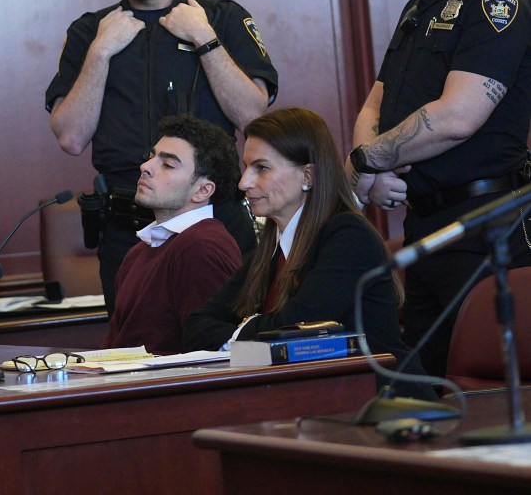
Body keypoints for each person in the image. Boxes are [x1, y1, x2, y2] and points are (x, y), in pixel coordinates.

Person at [45, 0, 278, 315]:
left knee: (231, 347)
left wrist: (204, 40)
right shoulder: (89, 32)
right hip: (127, 226)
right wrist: (100, 53)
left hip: (214, 219)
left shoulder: (221, 17)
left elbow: (253, 116)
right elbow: (70, 136)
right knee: (134, 355)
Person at [348, 0, 531, 378]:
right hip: (423, 227)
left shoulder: (497, 4)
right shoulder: (420, 8)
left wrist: (368, 163)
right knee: (421, 385)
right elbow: (376, 102)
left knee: (483, 388)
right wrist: (368, 169)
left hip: (481, 231)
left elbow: (456, 117)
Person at [184, 108, 433, 398]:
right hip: (311, 399)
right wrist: (252, 337)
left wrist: (239, 332)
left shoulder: (348, 237)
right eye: (246, 167)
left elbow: (294, 334)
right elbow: (196, 327)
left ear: (308, 174)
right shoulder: (272, 246)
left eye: (261, 168)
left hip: (382, 405)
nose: (244, 182)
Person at [103, 116, 243, 354]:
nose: (145, 167)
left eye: (167, 164)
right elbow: (117, 348)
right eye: (151, 156)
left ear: (202, 190)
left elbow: (210, 357)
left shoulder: (201, 247)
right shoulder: (139, 252)